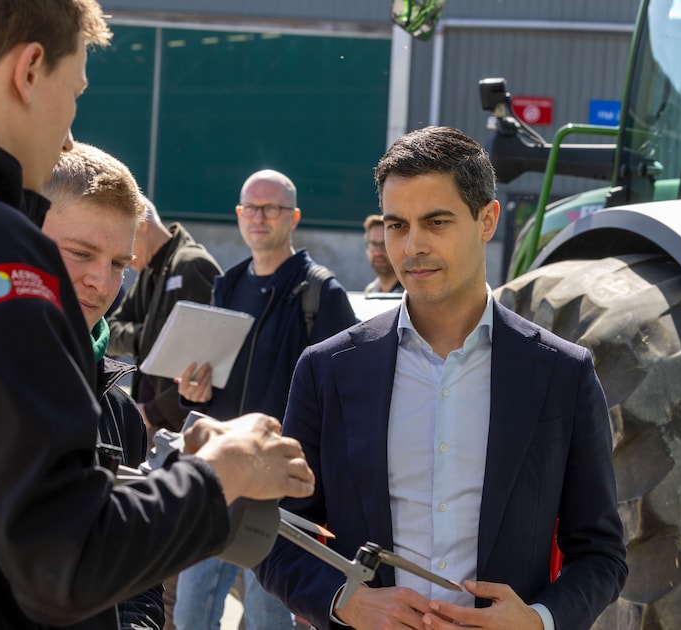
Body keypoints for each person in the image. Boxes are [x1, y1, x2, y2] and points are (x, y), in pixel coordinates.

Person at [0, 2, 313, 628]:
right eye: (74, 93)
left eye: (119, 264)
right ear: (29, 70)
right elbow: (69, 560)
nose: (71, 134)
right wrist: (224, 471)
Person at [254, 126, 629, 630]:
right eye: (397, 225)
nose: (412, 247)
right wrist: (343, 600)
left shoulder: (562, 374)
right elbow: (275, 533)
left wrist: (539, 621)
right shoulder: (327, 371)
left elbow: (602, 554)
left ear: (487, 219)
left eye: (436, 222)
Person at [174, 169, 357, 630]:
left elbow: (343, 394)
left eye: (270, 208)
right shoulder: (227, 284)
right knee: (189, 612)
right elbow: (215, 378)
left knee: (265, 619)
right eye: (250, 208)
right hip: (220, 475)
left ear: (292, 217)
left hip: (278, 486)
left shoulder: (320, 291)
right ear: (238, 215)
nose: (259, 217)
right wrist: (193, 393)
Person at [40, 141, 163, 629]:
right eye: (80, 253)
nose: (101, 281)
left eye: (119, 264)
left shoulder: (121, 413)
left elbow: (139, 578)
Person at [107, 196, 223, 432]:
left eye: (124, 238)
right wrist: (143, 337)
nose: (122, 252)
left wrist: (153, 412)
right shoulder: (147, 273)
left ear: (142, 225)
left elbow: (209, 359)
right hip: (149, 420)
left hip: (178, 427)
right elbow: (112, 330)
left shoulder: (192, 265)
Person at [363, 213, 403, 294]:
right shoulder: (370, 291)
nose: (378, 253)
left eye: (384, 244)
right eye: (373, 244)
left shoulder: (411, 295)